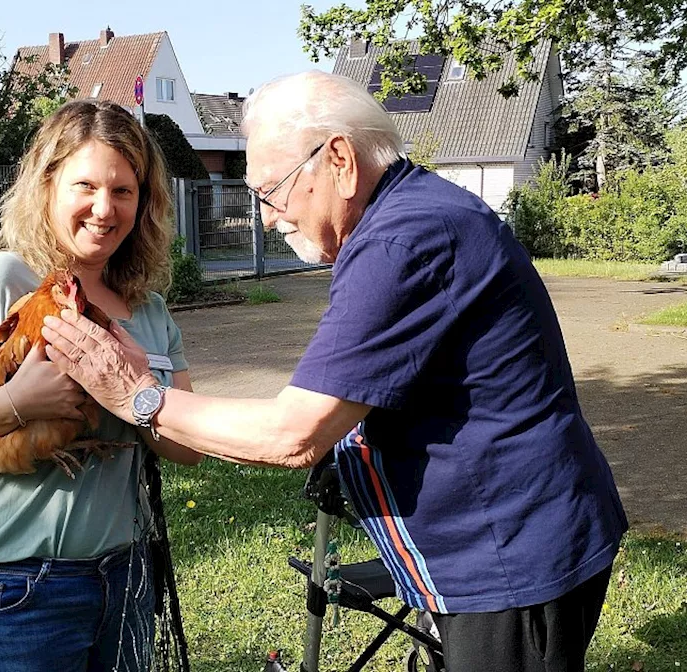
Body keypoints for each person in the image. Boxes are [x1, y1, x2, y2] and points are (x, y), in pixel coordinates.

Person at [40, 71, 628, 672]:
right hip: (507, 548)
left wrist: (141, 396)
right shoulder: (412, 215)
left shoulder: (403, 240)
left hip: (509, 560)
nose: (266, 217)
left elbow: (292, 433)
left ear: (339, 160)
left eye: (271, 190)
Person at [0, 99, 202, 672]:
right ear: (47, 186)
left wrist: (138, 392)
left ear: (145, 202)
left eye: (123, 191)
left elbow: (184, 448)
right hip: (15, 589)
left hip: (128, 576)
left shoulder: (151, 311)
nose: (103, 208)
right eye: (84, 185)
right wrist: (17, 400)